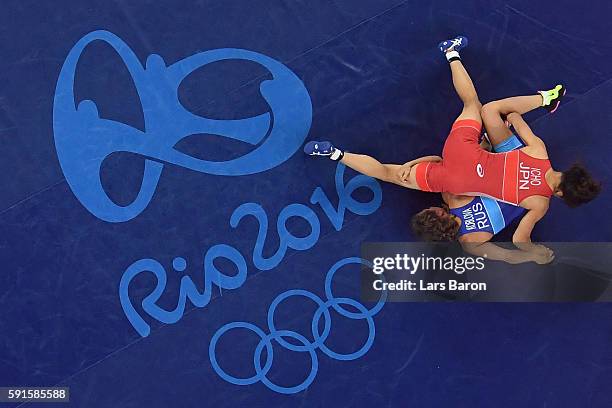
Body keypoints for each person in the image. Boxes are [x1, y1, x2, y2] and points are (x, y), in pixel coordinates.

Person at [304, 36, 600, 262]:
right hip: (455, 169)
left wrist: (506, 137)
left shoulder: (539, 154)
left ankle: (454, 53)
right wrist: (533, 256)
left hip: (474, 155)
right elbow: (516, 248)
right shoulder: (457, 205)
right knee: (387, 172)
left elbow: (511, 117)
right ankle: (335, 154)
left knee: (481, 108)